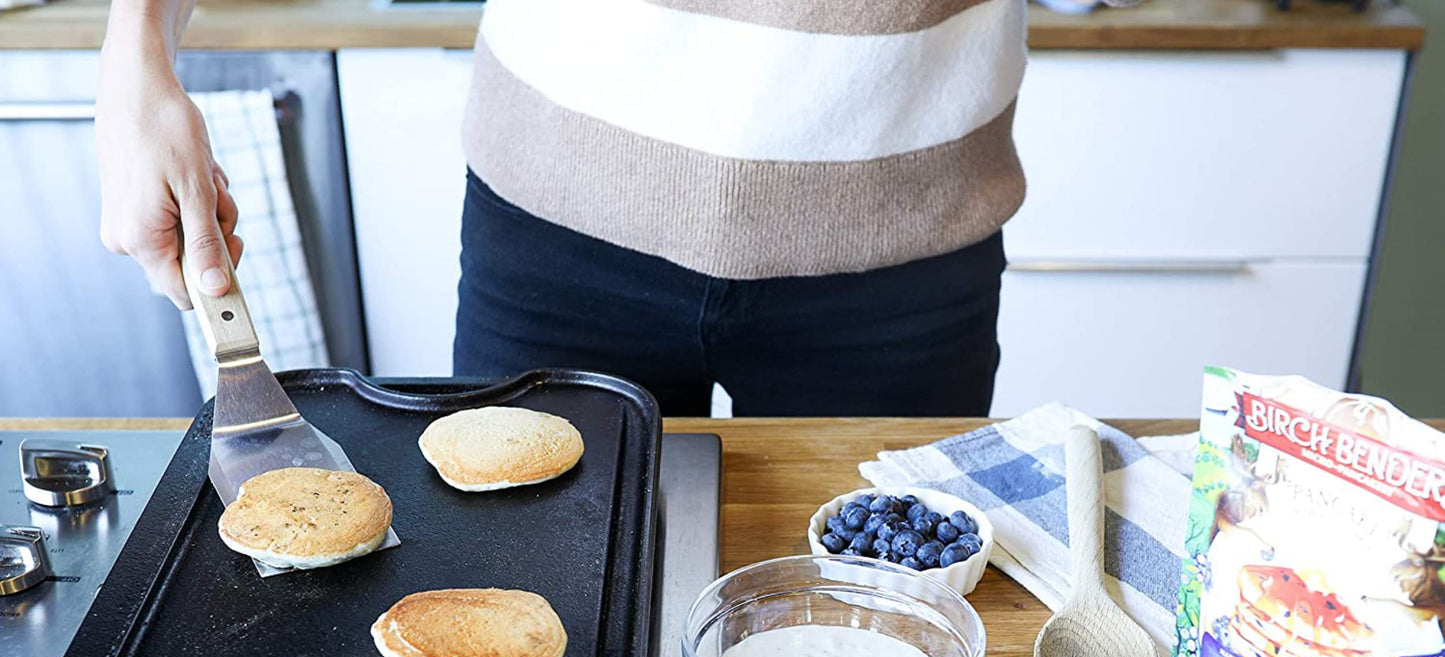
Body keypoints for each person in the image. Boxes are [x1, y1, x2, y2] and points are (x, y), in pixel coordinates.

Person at [97, 0, 1035, 416]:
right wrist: (134, 49)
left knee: (894, 639)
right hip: (553, 224)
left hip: (904, 243)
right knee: (523, 611)